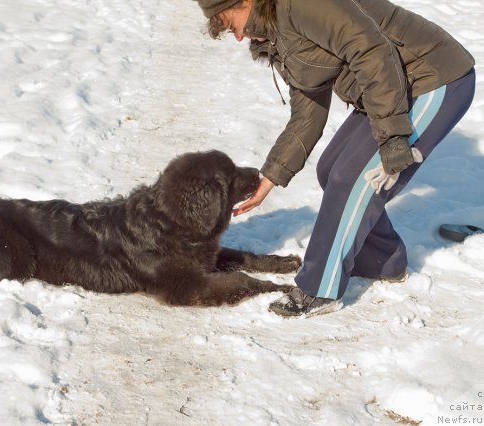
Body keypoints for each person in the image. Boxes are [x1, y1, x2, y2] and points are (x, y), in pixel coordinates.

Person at [193, 0, 476, 316]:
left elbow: (371, 50)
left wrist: (393, 137)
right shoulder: (277, 32)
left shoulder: (300, 5)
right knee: (331, 170)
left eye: (231, 25)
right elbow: (308, 110)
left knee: (351, 178)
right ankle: (382, 261)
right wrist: (270, 177)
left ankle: (319, 289)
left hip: (431, 79)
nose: (237, 38)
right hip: (389, 87)